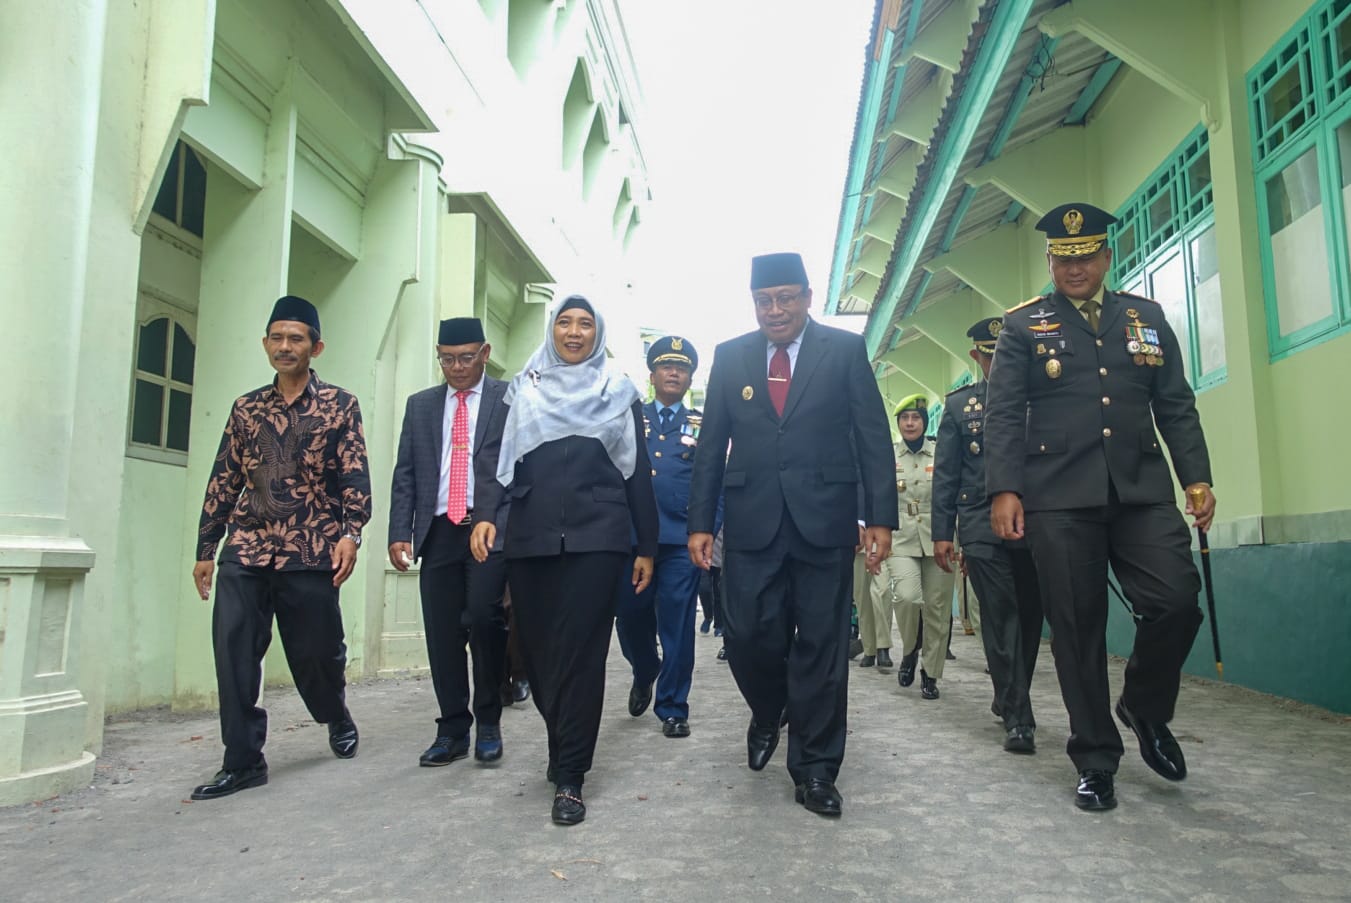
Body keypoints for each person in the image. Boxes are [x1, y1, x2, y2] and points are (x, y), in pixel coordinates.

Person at [985, 202, 1216, 812]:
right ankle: (1095, 757)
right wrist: (1004, 489)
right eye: (1064, 259)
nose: (1075, 268)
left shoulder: (1146, 316)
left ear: (1106, 256)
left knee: (1175, 600)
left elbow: (1175, 403)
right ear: (1051, 262)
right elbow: (1005, 413)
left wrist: (1197, 478)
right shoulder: (1023, 327)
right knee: (1077, 628)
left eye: (1086, 256)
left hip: (1140, 490)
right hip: (1058, 497)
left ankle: (1143, 705)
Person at [687, 252, 897, 818]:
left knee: (823, 647)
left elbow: (873, 435)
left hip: (825, 521)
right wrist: (701, 523)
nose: (775, 310)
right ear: (753, 303)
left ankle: (816, 769)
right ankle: (769, 706)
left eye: (786, 298)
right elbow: (711, 447)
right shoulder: (731, 358)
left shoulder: (844, 350)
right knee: (749, 634)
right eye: (764, 300)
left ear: (807, 297)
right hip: (753, 520)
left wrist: (879, 517)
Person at [469, 294, 657, 826]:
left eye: (585, 324)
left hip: (600, 536)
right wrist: (486, 515)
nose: (574, 332)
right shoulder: (523, 389)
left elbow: (637, 472)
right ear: (552, 329)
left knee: (583, 652)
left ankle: (570, 773)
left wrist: (646, 546)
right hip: (530, 536)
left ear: (598, 333)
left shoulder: (619, 390)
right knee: (537, 650)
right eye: (565, 323)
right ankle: (562, 736)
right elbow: (497, 459)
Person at [189, 295, 370, 800]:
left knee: (316, 652)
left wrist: (351, 534)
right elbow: (223, 477)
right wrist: (207, 546)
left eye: (296, 338)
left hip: (311, 547)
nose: (285, 346)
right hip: (246, 546)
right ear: (265, 343)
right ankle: (243, 760)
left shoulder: (340, 405)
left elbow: (354, 476)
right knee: (234, 651)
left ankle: (333, 711)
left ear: (317, 346)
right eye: (277, 337)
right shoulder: (246, 409)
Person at [388, 317, 510, 768]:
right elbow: (406, 472)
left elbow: (518, 469)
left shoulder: (508, 398)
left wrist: (497, 520)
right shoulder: (421, 406)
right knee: (441, 633)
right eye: (446, 359)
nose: (456, 367)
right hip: (438, 528)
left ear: (485, 353)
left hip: (487, 528)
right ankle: (453, 729)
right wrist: (400, 529)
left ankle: (490, 721)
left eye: (465, 358)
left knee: (483, 616)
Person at [932, 318, 1045, 753]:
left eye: (1006, 353)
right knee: (999, 616)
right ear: (976, 357)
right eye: (990, 354)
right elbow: (945, 474)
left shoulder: (1042, 401)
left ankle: (1010, 689)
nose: (998, 361)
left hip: (1034, 524)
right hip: (980, 525)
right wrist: (944, 533)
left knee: (1031, 616)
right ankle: (1019, 715)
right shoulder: (961, 408)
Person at [615, 335, 718, 738]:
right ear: (653, 373)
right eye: (665, 366)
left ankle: (673, 706)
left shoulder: (703, 424)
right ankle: (645, 669)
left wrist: (707, 527)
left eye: (681, 367)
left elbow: (714, 482)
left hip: (680, 540)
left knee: (677, 623)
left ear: (690, 375)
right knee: (630, 617)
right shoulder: (628, 417)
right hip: (631, 538)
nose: (673, 372)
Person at [877, 395, 955, 700]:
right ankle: (910, 650)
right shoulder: (888, 455)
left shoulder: (942, 453)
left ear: (924, 421)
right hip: (902, 539)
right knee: (908, 598)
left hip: (940, 538)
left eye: (916, 418)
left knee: (937, 608)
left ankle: (930, 672)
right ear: (898, 423)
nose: (910, 423)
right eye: (905, 418)